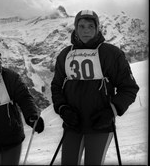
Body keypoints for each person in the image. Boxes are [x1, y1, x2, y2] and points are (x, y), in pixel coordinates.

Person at [51, 10, 139, 165]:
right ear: (76, 28)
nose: (86, 30)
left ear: (98, 28)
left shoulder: (111, 54)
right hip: (73, 125)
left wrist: (112, 110)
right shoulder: (65, 55)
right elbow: (56, 86)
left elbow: (129, 88)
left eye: (91, 26)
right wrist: (63, 108)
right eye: (82, 26)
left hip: (100, 125)